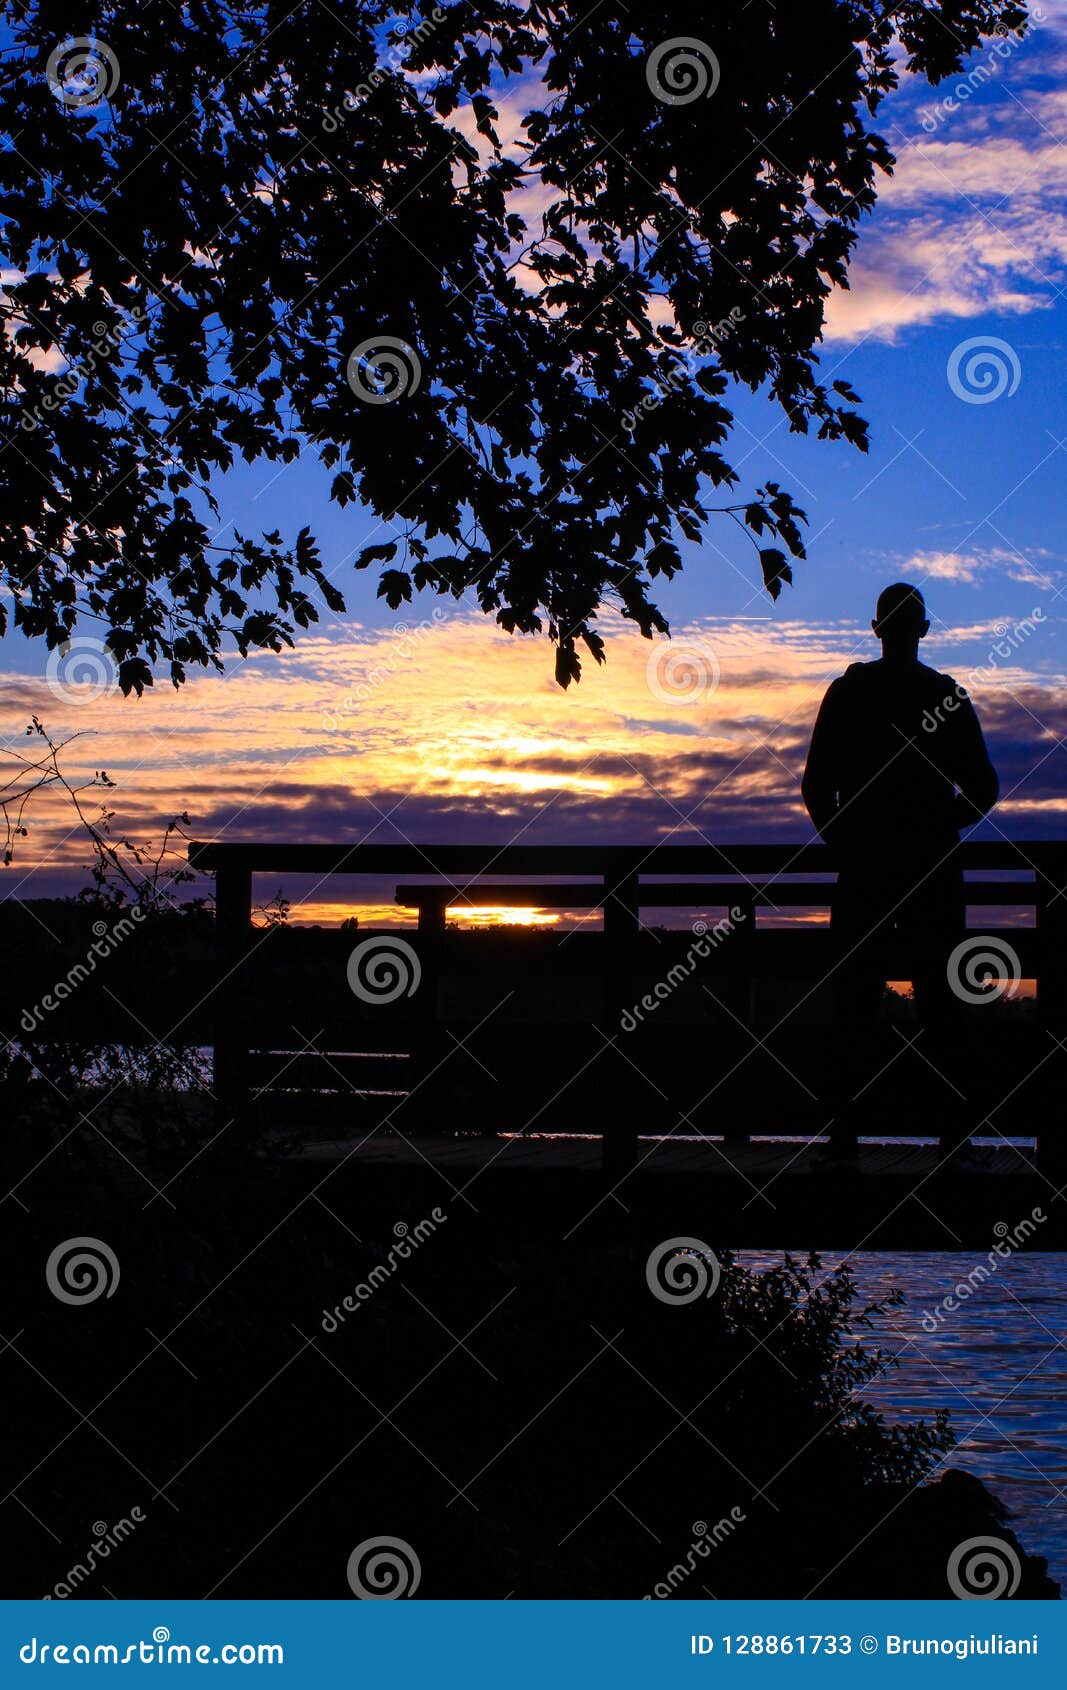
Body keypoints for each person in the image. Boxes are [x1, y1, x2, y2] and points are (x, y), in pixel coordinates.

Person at [802, 582, 999, 1163]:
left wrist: (845, 841)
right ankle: (955, 1139)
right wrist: (941, 827)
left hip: (863, 869)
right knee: (941, 1000)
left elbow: (816, 786)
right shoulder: (947, 696)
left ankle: (843, 1138)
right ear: (924, 630)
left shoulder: (849, 694)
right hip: (931, 870)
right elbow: (984, 788)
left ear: (876, 628)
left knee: (853, 1002)